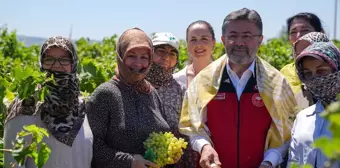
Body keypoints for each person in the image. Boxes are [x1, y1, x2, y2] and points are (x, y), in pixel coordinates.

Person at [178, 8, 297, 168]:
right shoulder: (204, 80)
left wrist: (270, 161)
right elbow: (193, 127)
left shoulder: (276, 83)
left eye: (247, 36)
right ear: (223, 39)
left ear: (260, 40)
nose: (239, 42)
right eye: (233, 36)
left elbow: (286, 133)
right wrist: (204, 147)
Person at [86, 28, 170, 168]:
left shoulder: (151, 93)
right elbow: (91, 145)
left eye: (144, 57)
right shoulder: (106, 94)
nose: (138, 63)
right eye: (131, 55)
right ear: (120, 56)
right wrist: (129, 162)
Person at [4, 36, 93, 168]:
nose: (56, 65)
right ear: (41, 63)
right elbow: (14, 162)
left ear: (73, 64)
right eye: (49, 59)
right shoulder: (26, 105)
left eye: (64, 59)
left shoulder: (82, 104)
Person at [146, 32, 199, 167]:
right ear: (149, 54)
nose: (166, 57)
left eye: (172, 54)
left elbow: (189, 132)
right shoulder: (135, 86)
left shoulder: (180, 90)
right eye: (161, 51)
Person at [288, 42, 340, 168]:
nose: (315, 78)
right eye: (308, 73)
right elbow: (293, 161)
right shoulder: (303, 117)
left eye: (321, 71)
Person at [280, 13, 326, 109]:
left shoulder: (334, 67)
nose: (298, 36)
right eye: (293, 32)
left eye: (305, 30)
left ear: (320, 33)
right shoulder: (285, 72)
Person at [173, 20, 216, 89]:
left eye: (204, 39)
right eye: (193, 40)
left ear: (213, 43)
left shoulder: (226, 76)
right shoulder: (176, 80)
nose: (198, 44)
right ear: (187, 45)